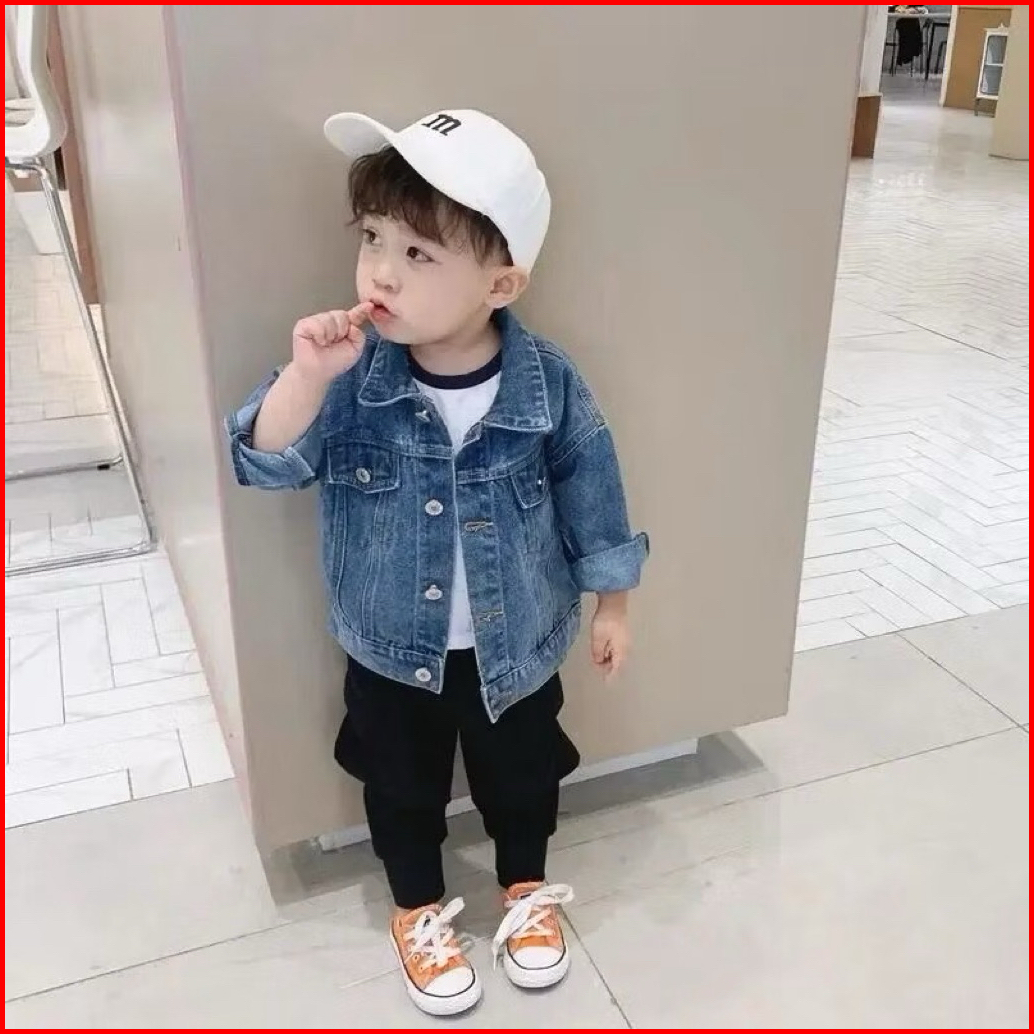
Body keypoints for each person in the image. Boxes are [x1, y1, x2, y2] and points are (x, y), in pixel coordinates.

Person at [225, 108, 648, 1017]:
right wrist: (305, 376)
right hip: (388, 651)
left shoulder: (547, 382)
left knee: (523, 778)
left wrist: (612, 604)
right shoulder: (351, 378)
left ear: (501, 282)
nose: (381, 271)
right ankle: (416, 908)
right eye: (374, 239)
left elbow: (593, 488)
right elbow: (265, 461)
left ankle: (525, 888)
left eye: (418, 253)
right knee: (399, 787)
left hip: (518, 648)